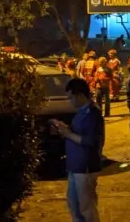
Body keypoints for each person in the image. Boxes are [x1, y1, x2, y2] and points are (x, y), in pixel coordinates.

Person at [49, 78, 104, 222]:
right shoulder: (81, 112)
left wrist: (68, 133)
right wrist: (64, 129)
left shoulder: (92, 113)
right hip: (75, 166)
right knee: (74, 205)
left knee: (86, 208)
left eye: (71, 97)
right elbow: (78, 133)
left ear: (80, 95)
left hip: (85, 167)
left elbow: (90, 140)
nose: (70, 101)